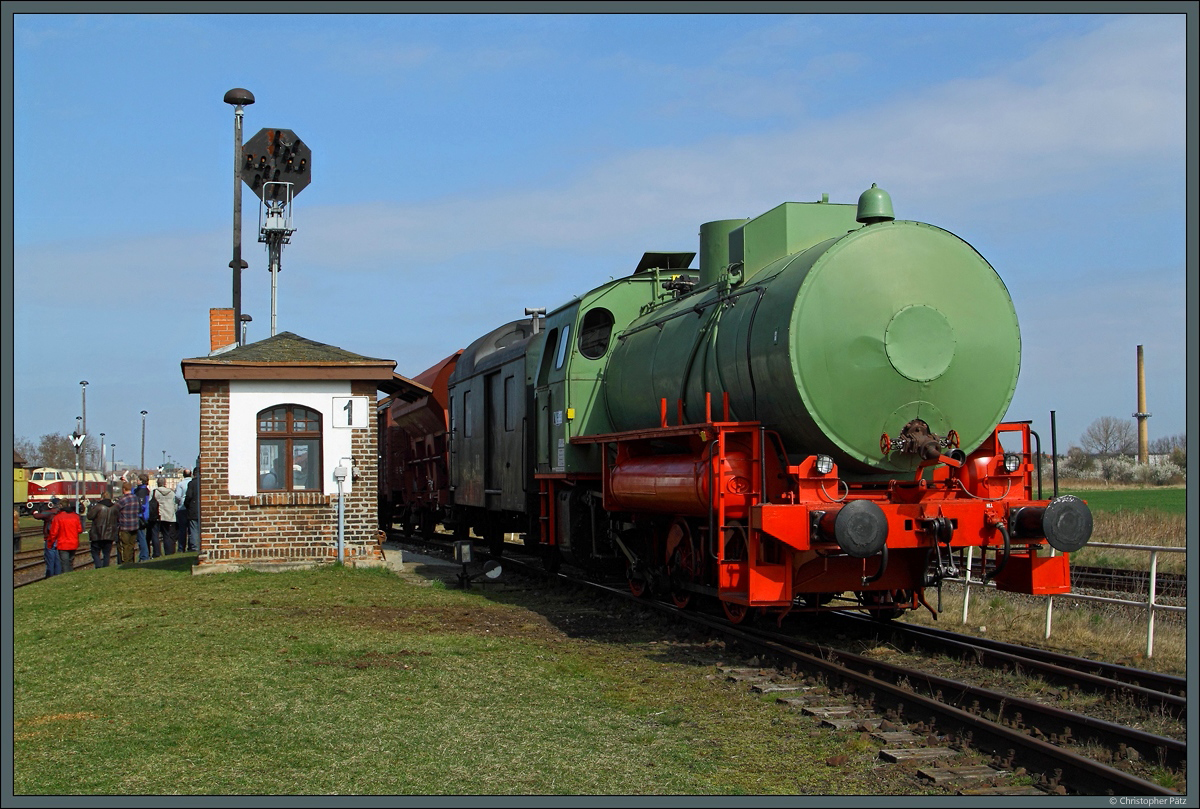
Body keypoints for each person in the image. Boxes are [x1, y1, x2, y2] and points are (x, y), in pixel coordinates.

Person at [32, 498, 62, 577]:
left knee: (50, 559)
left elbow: (37, 516)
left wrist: (35, 511)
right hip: (60, 538)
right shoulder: (62, 513)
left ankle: (50, 575)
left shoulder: (50, 513)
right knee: (58, 559)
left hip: (50, 538)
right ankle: (58, 575)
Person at [48, 505, 82, 574]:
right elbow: (79, 530)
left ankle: (66, 576)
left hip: (62, 543)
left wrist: (50, 543)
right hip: (73, 542)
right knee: (70, 561)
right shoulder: (76, 517)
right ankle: (70, 575)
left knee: (64, 562)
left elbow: (53, 532)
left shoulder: (58, 517)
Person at [87, 493, 119, 568]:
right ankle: (106, 567)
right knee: (107, 553)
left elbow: (89, 516)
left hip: (97, 533)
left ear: (102, 497)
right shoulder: (115, 507)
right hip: (110, 533)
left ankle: (98, 566)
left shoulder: (98, 507)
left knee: (95, 552)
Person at [116, 482, 140, 566]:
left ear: (123, 489)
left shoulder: (122, 500)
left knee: (125, 546)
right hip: (134, 525)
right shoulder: (136, 498)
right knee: (131, 545)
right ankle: (132, 561)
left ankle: (126, 563)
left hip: (125, 526)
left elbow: (116, 510)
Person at [152, 478, 178, 555]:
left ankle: (157, 552)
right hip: (170, 515)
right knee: (169, 535)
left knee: (157, 535)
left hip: (159, 515)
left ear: (157, 483)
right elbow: (175, 504)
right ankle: (169, 551)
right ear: (165, 483)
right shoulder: (171, 493)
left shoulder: (154, 492)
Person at [134, 477, 152, 561]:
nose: (136, 481)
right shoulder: (145, 490)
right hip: (144, 516)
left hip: (141, 517)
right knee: (142, 537)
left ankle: (144, 556)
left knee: (141, 537)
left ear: (141, 481)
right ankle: (145, 555)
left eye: (138, 479)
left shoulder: (141, 492)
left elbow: (143, 505)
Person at [174, 469, 192, 552]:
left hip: (182, 507)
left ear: (183, 475)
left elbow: (177, 496)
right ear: (191, 474)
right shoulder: (193, 482)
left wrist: (179, 502)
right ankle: (191, 546)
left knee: (182, 529)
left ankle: (181, 548)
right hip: (191, 508)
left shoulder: (180, 484)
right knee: (191, 529)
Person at [184, 464, 200, 553]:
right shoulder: (203, 482)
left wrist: (187, 505)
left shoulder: (192, 483)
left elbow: (189, 496)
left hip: (193, 509)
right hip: (202, 509)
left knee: (193, 529)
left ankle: (195, 546)